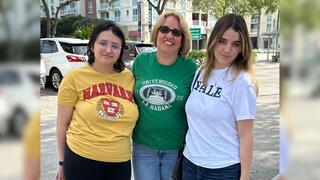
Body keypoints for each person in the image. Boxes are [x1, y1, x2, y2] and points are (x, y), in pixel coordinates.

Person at [55, 21, 138, 180]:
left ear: (121, 51)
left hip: (120, 161)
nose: (108, 50)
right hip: (82, 159)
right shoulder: (74, 77)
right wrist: (61, 163)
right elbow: (62, 124)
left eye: (115, 46)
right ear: (92, 46)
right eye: (103, 43)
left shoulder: (130, 78)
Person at [182, 13, 258, 180]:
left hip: (222, 169)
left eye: (235, 44)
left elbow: (246, 135)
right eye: (222, 41)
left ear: (242, 48)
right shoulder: (200, 73)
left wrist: (244, 177)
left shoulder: (242, 83)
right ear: (213, 40)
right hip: (190, 163)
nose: (227, 49)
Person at [132, 11, 198, 180]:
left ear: (183, 39)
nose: (170, 35)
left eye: (176, 32)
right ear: (157, 33)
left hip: (176, 149)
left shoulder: (191, 68)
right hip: (143, 148)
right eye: (165, 30)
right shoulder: (140, 62)